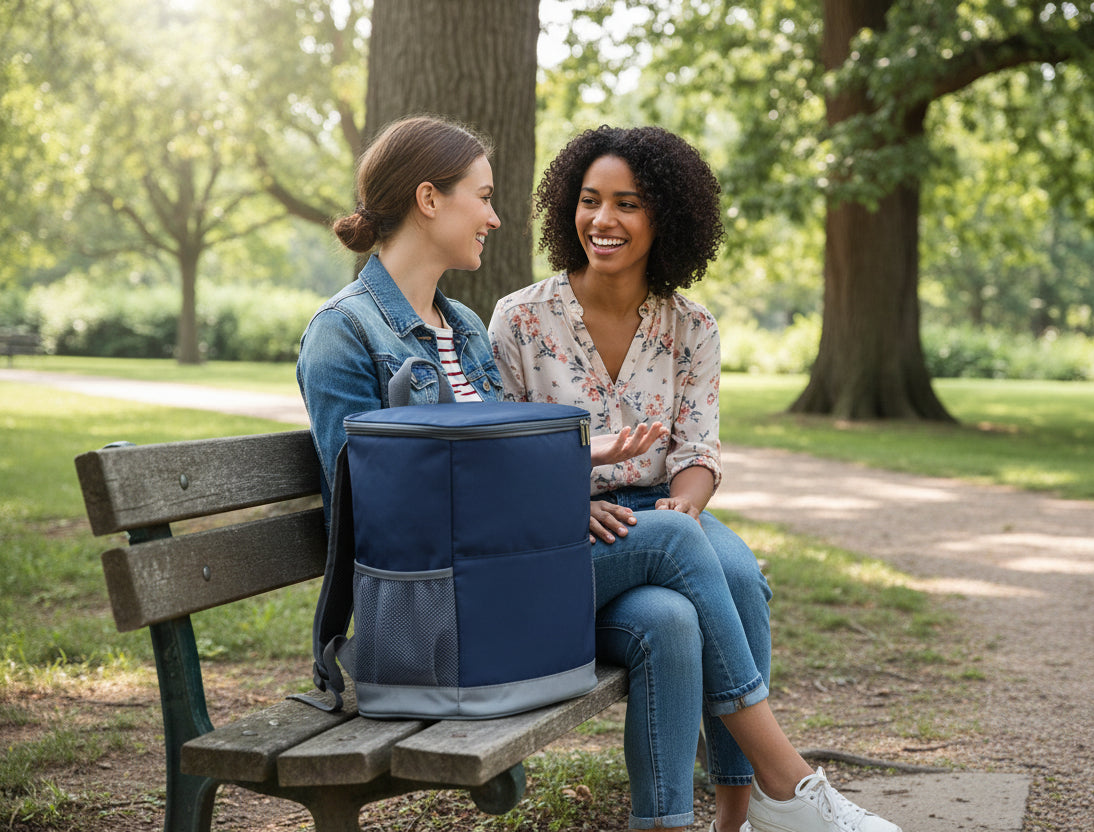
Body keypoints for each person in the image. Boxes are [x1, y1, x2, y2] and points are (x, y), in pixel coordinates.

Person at [489, 126, 902, 832]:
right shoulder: (521, 320)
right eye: (590, 202)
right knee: (695, 555)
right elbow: (499, 457)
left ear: (665, 218)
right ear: (568, 209)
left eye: (627, 204)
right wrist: (561, 502)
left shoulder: (691, 326)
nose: (603, 221)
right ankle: (786, 782)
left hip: (661, 513)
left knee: (709, 595)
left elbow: (698, 450)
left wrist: (683, 503)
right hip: (561, 536)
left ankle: (735, 819)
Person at [296, 115, 661, 498]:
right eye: (484, 197)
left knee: (681, 537)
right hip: (441, 557)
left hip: (502, 543)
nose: (495, 218)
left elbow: (498, 460)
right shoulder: (342, 330)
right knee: (674, 538)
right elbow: (369, 497)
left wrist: (565, 498)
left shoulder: (465, 327)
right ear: (429, 199)